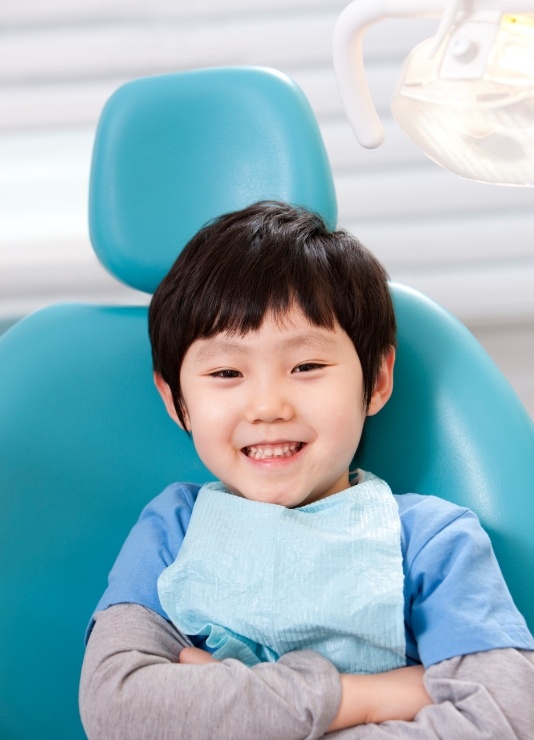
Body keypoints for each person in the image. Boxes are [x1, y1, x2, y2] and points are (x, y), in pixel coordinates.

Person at [80, 201, 534, 739]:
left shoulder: (431, 541)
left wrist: (227, 707)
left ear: (377, 378)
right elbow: (118, 704)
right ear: (175, 399)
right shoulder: (172, 530)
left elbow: (503, 718)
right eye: (227, 371)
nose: (268, 405)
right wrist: (364, 697)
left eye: (307, 366)